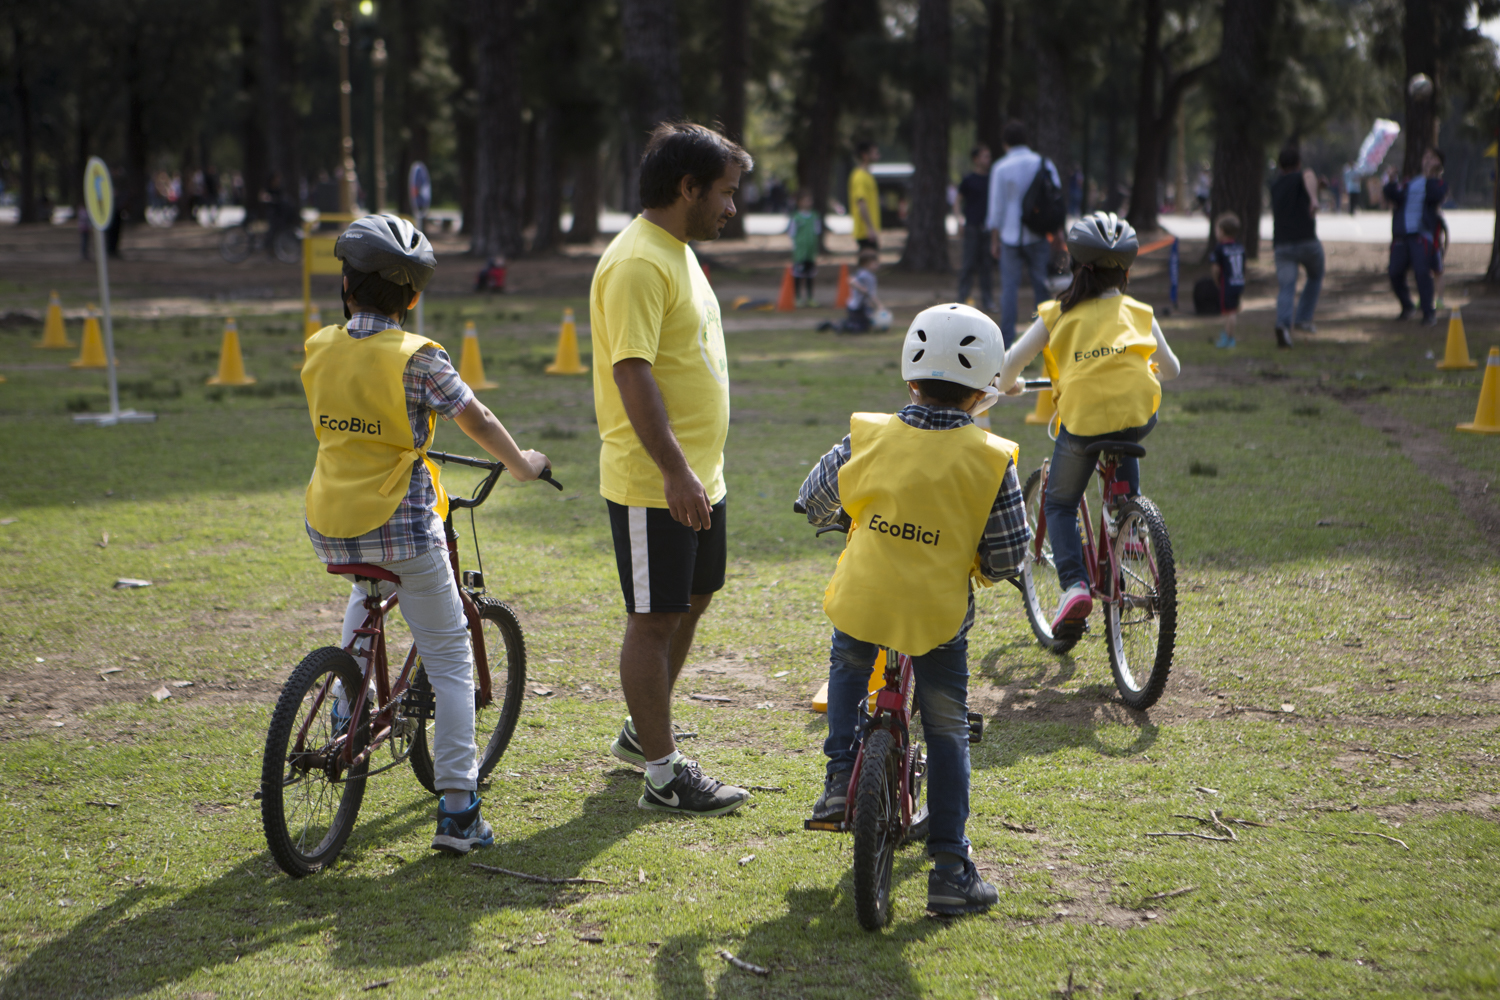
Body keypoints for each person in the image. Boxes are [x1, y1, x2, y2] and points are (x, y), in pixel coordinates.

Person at [300, 214, 552, 855]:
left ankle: (344, 717)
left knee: (365, 596)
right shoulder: (419, 357)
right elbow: (477, 416)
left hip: (331, 522)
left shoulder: (320, 346)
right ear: (412, 297)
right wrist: (524, 465)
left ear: (347, 288)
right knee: (450, 662)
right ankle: (460, 812)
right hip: (403, 525)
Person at [800, 303, 1027, 916]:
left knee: (849, 663)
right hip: (938, 616)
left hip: (865, 597)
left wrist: (842, 517)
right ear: (986, 391)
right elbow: (1008, 555)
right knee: (949, 729)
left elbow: (815, 495)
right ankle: (951, 869)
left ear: (909, 377)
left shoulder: (867, 435)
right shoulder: (992, 458)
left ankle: (836, 776)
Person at [590, 122, 753, 817]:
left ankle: (641, 731)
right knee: (652, 619)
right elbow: (633, 374)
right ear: (687, 188)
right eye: (724, 192)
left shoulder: (676, 251)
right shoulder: (637, 262)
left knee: (692, 600)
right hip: (655, 481)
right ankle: (662, 774)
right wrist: (675, 471)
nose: (732, 208)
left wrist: (698, 472)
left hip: (698, 476)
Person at [996, 212, 1181, 637]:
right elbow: (1170, 370)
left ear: (1077, 265)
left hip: (1081, 423)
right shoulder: (1139, 311)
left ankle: (1074, 585)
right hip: (1137, 415)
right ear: (1127, 271)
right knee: (1125, 429)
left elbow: (1009, 366)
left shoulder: (1056, 313)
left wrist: (1012, 386)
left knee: (1059, 504)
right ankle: (1129, 524)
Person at [987, 120, 1061, 347]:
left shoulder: (1001, 167)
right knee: (1041, 285)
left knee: (1009, 288)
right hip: (1037, 232)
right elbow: (1055, 199)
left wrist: (994, 238)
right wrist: (1057, 230)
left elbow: (996, 205)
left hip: (1010, 234)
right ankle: (1046, 338)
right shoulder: (1042, 163)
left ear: (1005, 142)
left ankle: (1006, 341)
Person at [1383, 147, 1448, 326]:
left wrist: (1430, 176)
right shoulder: (1410, 183)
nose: (1427, 160)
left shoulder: (1438, 183)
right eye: (1425, 157)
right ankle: (1407, 306)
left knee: (1422, 273)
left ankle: (1428, 313)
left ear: (1439, 163)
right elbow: (1394, 196)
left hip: (1422, 235)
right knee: (1394, 272)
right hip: (1402, 236)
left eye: (1432, 158)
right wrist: (1390, 182)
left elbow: (1435, 196)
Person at [1270, 144, 1323, 348]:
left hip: (1282, 244)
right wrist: (1314, 199)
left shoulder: (1276, 185)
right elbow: (1309, 177)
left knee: (1286, 287)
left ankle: (1283, 325)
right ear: (1298, 164)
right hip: (1306, 240)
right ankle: (1303, 318)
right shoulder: (1303, 176)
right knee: (1316, 274)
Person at [955, 145, 996, 312]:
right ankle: (961, 299)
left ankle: (988, 301)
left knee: (986, 266)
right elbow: (957, 201)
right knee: (968, 264)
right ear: (976, 159)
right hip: (972, 227)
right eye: (985, 156)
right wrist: (959, 219)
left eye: (989, 156)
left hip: (987, 229)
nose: (988, 160)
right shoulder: (968, 180)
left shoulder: (993, 179)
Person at [818, 247, 883, 333]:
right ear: (865, 263)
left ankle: (838, 324)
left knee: (865, 327)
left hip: (864, 307)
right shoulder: (862, 274)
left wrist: (879, 305)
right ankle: (835, 324)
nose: (877, 265)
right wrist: (861, 288)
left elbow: (871, 294)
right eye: (874, 263)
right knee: (858, 328)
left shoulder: (872, 277)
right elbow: (851, 280)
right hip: (856, 307)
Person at [1211, 212, 1246, 349]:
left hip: (1227, 283)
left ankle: (1229, 338)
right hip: (1238, 281)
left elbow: (1215, 268)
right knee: (1232, 310)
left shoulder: (1220, 248)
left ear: (1222, 231)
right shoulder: (1239, 247)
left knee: (1229, 313)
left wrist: (1216, 280)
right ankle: (1227, 334)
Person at [788, 191, 821, 307]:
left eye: (810, 200)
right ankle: (798, 297)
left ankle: (810, 298)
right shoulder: (796, 217)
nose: (809, 202)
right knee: (798, 275)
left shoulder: (815, 216)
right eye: (806, 200)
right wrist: (796, 247)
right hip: (800, 253)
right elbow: (792, 233)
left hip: (811, 253)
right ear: (799, 202)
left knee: (810, 275)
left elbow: (817, 231)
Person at [849, 141, 881, 251]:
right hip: (865, 232)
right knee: (868, 265)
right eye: (874, 153)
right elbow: (861, 203)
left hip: (869, 231)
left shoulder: (868, 176)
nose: (878, 155)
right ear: (865, 155)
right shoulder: (860, 177)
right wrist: (870, 228)